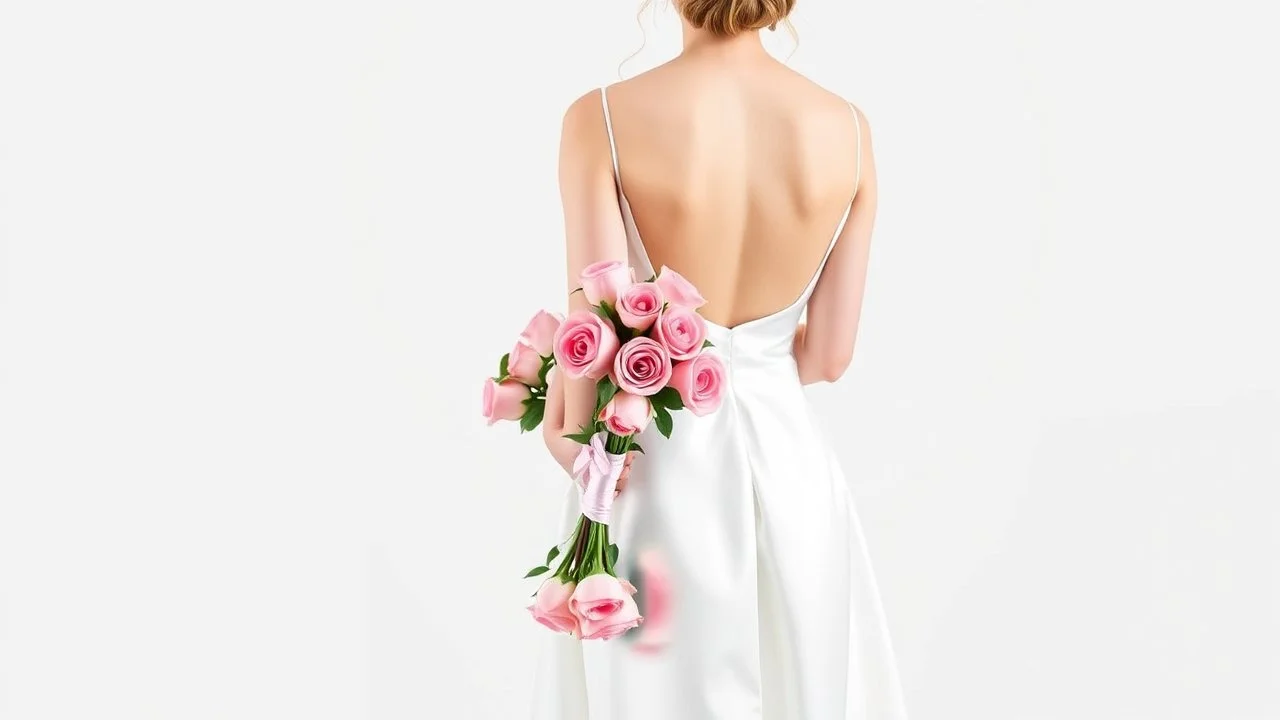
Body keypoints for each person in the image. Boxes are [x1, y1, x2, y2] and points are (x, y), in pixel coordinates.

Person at [537, 1, 907, 717]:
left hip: (654, 465)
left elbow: (598, 315)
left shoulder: (602, 118)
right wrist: (747, 367)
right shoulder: (849, 132)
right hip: (793, 471)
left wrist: (572, 438)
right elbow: (830, 355)